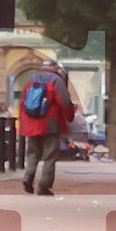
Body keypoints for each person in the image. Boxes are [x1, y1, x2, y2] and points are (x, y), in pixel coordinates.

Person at [17, 58, 74, 195]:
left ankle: (28, 176)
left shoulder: (31, 78)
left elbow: (22, 102)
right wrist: (69, 116)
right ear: (54, 67)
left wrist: (23, 123)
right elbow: (64, 101)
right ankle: (44, 185)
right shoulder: (56, 80)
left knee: (33, 153)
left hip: (31, 123)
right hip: (50, 123)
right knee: (49, 155)